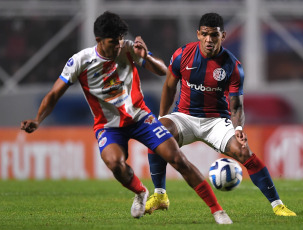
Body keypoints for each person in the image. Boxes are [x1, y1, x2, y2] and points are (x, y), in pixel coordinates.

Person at [20, 11, 232, 224]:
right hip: (108, 126)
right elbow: (55, 93)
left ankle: (218, 211)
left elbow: (161, 71)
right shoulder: (80, 61)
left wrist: (146, 56)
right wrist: (38, 120)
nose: (118, 46)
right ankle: (141, 193)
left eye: (121, 40)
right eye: (113, 42)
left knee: (177, 158)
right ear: (99, 41)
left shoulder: (128, 49)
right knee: (115, 163)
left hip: (141, 118)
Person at [145, 12, 296, 217]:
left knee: (243, 151)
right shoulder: (182, 54)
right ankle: (160, 195)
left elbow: (236, 106)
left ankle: (278, 206)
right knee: (156, 134)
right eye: (205, 34)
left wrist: (239, 129)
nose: (209, 39)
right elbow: (169, 87)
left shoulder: (232, 66)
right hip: (184, 117)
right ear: (198, 34)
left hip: (216, 121)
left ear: (222, 36)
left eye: (214, 35)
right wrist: (162, 119)